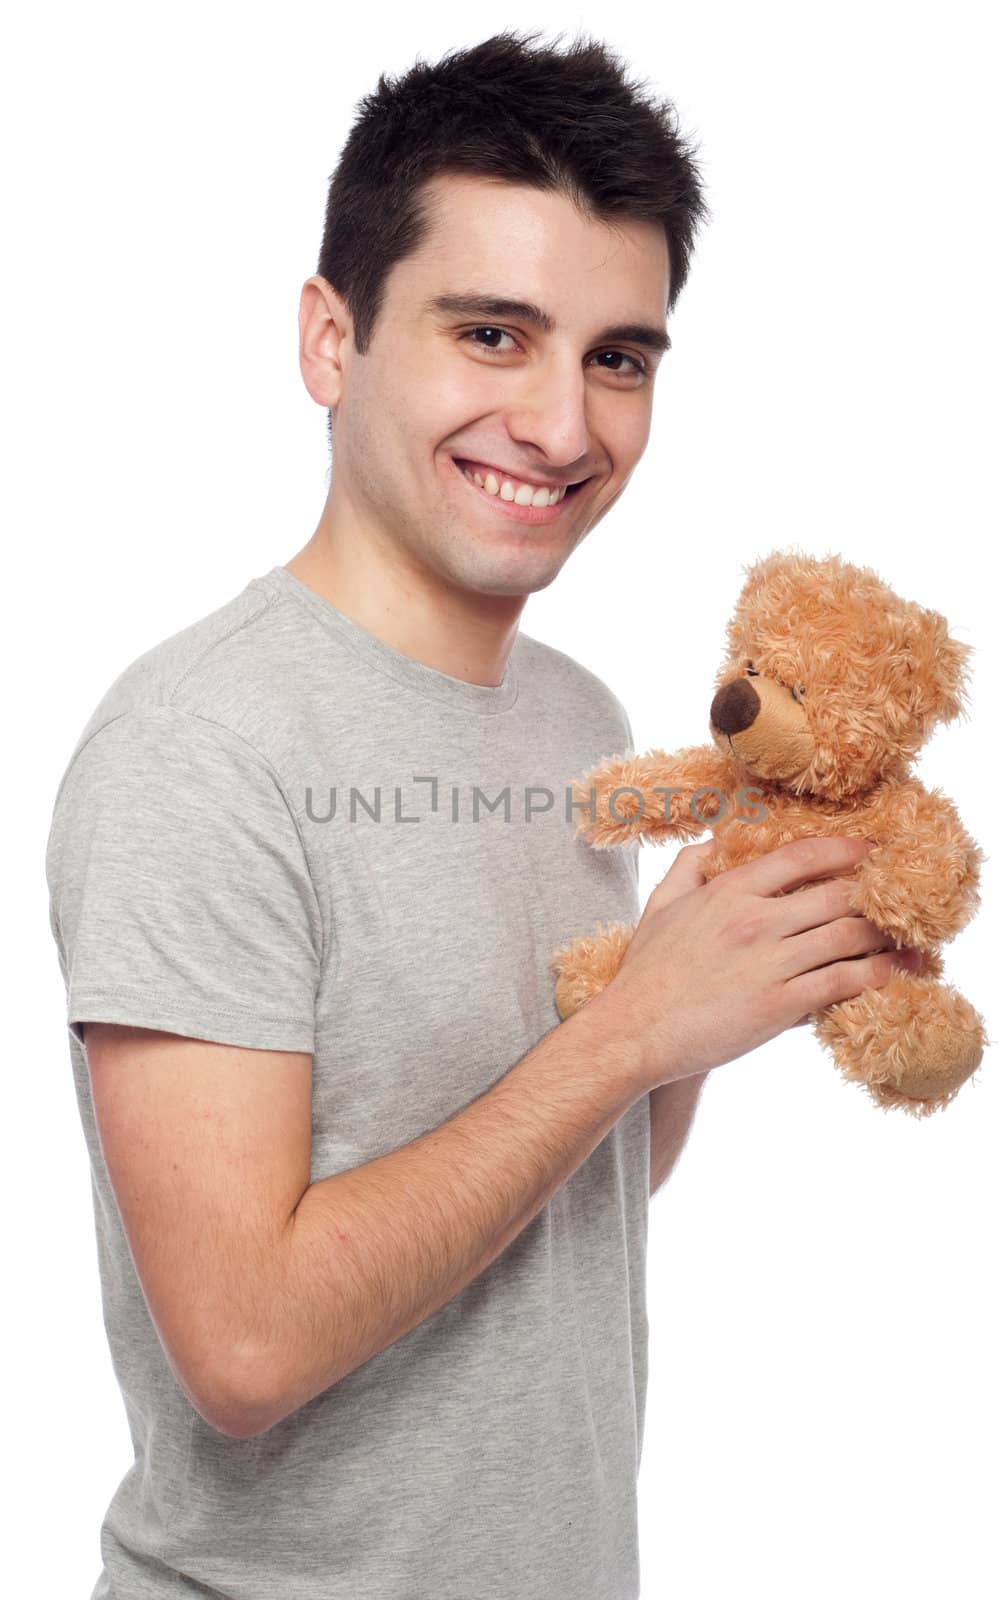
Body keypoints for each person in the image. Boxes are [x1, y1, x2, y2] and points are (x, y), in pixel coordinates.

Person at [43, 28, 922, 1600]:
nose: (566, 427)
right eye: (494, 334)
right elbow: (243, 1345)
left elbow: (576, 1184)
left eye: (619, 356)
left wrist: (707, 984)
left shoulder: (576, 716)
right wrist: (634, 1032)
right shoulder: (195, 748)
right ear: (331, 341)